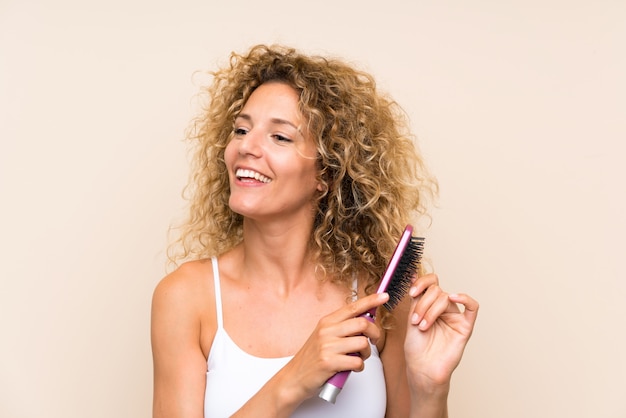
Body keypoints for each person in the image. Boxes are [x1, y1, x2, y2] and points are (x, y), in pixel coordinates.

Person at [151, 44, 479, 418]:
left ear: (325, 174)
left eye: (280, 137)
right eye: (241, 129)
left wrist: (431, 389)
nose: (246, 146)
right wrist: (291, 380)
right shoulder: (186, 297)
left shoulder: (380, 297)